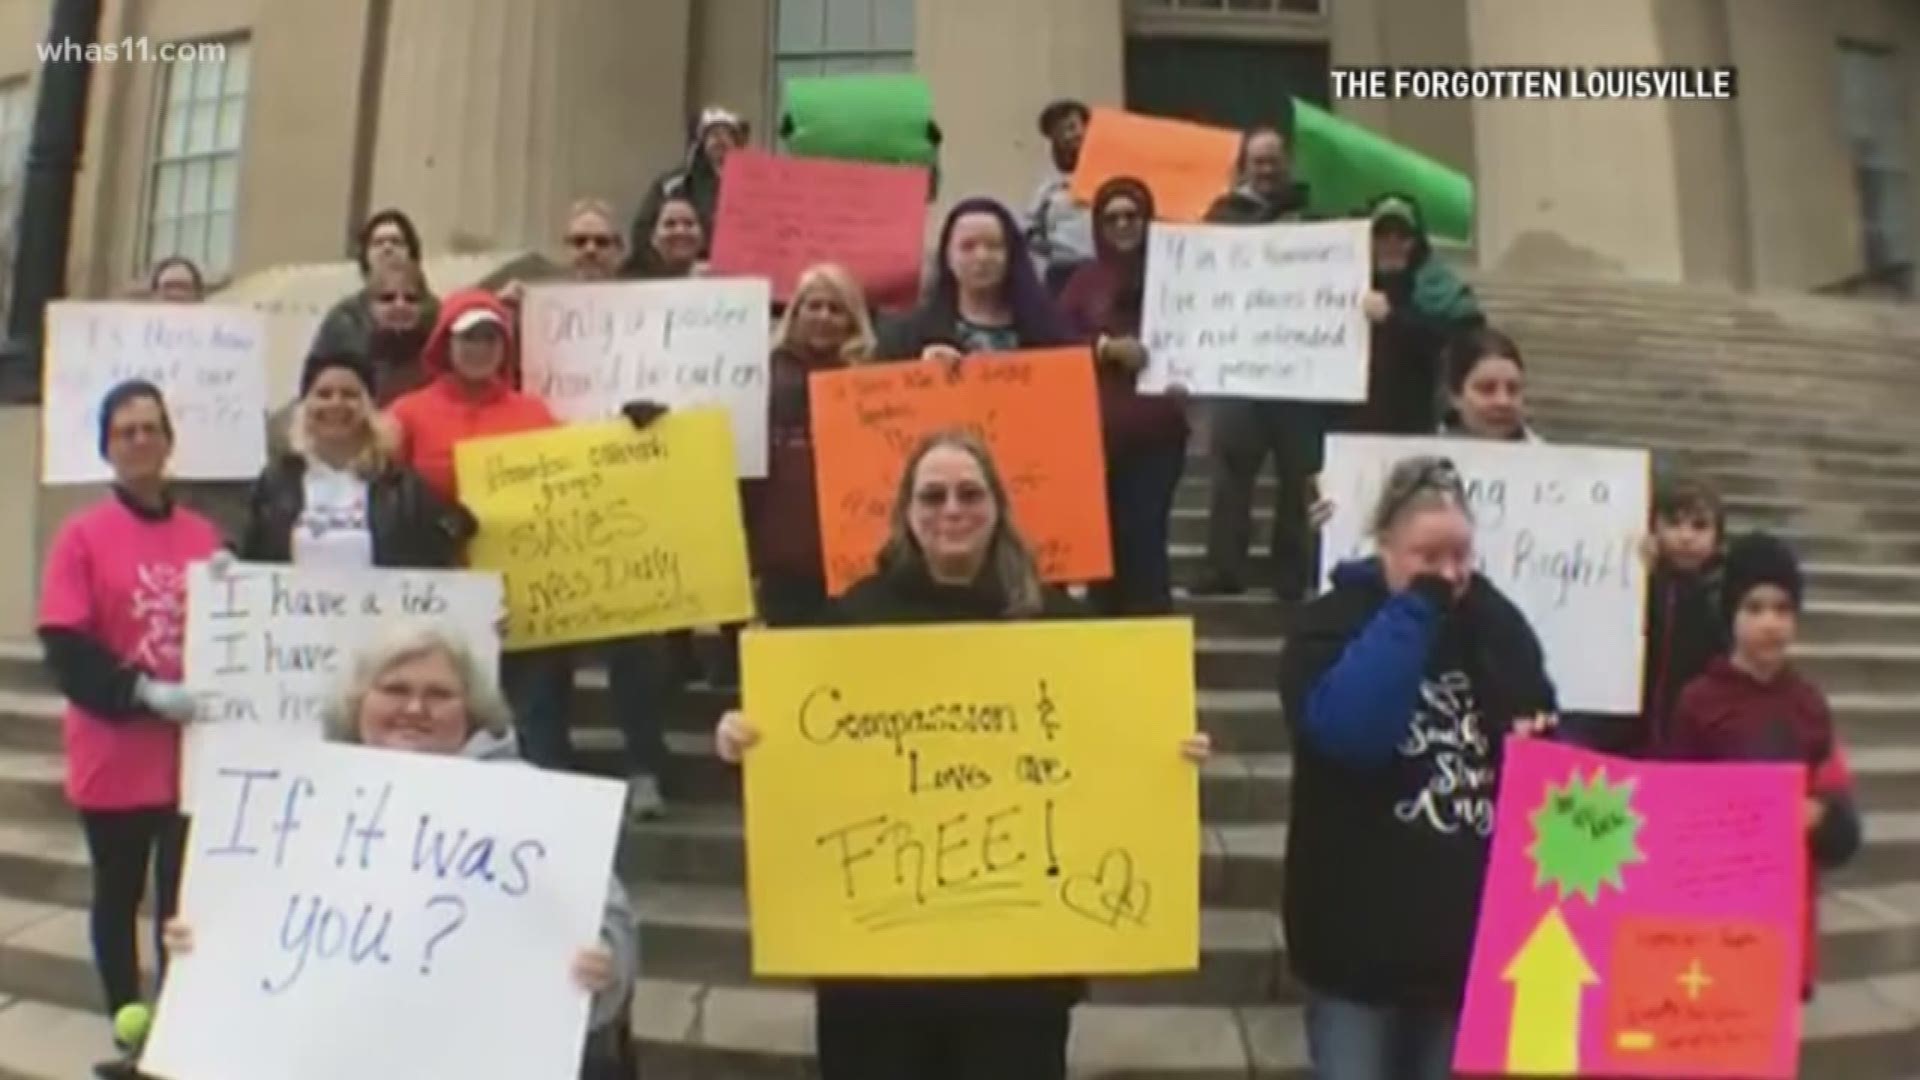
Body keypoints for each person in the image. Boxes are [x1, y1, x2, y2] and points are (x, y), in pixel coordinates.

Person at [714, 431, 1211, 1080]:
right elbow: (797, 767)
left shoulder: (1057, 626)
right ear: (908, 513)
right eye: (934, 495)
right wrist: (743, 739)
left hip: (1016, 970)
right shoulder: (844, 625)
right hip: (876, 970)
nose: (953, 509)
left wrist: (1167, 750)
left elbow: (1105, 757)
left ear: (999, 509)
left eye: (971, 493)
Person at [162, 623, 639, 1079]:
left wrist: (605, 967)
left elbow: (612, 923)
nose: (415, 707)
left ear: (472, 710)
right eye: (394, 689)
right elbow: (250, 925)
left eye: (439, 694)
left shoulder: (534, 804)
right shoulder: (298, 799)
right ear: (358, 702)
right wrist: (205, 944)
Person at [1278, 456, 1557, 1079]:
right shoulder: (1329, 627)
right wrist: (1414, 611)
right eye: (1426, 557)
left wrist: (1534, 740)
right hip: (1355, 947)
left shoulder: (1496, 628)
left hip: (1461, 948)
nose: (1448, 574)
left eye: (1460, 556)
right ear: (1385, 548)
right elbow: (1351, 734)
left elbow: (1538, 730)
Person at [386, 289, 672, 817]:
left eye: (491, 336)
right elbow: (377, 484)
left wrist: (635, 430)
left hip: (524, 603)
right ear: (444, 342)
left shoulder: (534, 412)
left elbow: (583, 472)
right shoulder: (408, 414)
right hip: (442, 598)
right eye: (468, 336)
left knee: (538, 719)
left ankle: (548, 824)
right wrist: (432, 522)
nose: (480, 347)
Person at [35, 381, 225, 1080]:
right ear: (107, 448)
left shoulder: (203, 536)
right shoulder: (82, 535)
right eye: (126, 432)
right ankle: (128, 1026)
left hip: (189, 759)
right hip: (115, 754)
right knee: (119, 897)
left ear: (170, 440)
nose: (141, 441)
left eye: (151, 428)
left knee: (182, 901)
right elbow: (66, 645)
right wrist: (140, 691)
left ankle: (179, 1025)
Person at [1661, 532, 1862, 999]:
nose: (1770, 623)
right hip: (1710, 917)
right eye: (1754, 608)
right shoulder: (1697, 702)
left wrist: (1821, 819)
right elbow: (1668, 807)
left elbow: (1844, 828)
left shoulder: (1809, 707)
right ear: (1730, 615)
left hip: (1784, 921)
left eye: (1783, 608)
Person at [1195, 126, 1325, 606]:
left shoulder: (1314, 219)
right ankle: (1222, 567)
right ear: (1243, 166)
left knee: (1298, 474)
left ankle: (1290, 573)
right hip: (1240, 366)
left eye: (1273, 160)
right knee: (1231, 471)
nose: (1267, 170)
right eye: (1258, 161)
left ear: (1286, 162)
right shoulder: (1222, 217)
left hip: (1302, 366)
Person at [1057, 177, 1189, 615]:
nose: (1123, 225)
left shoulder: (1181, 278)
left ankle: (1153, 640)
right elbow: (1056, 340)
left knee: (1144, 537)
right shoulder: (1083, 281)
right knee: (1101, 545)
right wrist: (1105, 349)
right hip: (1095, 436)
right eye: (1112, 217)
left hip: (1159, 435)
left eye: (1132, 216)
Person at [238, 351, 473, 569]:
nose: (336, 403)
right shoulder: (277, 480)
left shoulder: (402, 485)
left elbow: (452, 536)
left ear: (370, 409)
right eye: (323, 394)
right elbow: (247, 550)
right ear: (305, 407)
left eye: (350, 395)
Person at [746, 263, 878, 627]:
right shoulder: (759, 374)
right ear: (796, 312)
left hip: (852, 549)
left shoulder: (873, 381)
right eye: (814, 306)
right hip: (782, 544)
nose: (824, 317)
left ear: (852, 320)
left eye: (836, 309)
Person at [1353, 194, 1484, 435]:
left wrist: (1393, 319)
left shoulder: (1440, 290)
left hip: (1418, 422)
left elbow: (1463, 342)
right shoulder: (1349, 285)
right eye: (1382, 235)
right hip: (1355, 425)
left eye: (1402, 235)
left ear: (1417, 241)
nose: (1391, 243)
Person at [879, 197, 1067, 361]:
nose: (982, 257)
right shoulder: (906, 336)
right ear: (947, 256)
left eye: (994, 246)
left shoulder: (1049, 332)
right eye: (967, 247)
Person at [1635, 475, 1726, 755]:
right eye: (1674, 524)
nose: (1686, 537)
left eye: (1699, 526)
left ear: (1717, 537)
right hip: (1636, 722)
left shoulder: (1722, 593)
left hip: (1694, 726)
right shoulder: (1640, 584)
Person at [310, 209, 442, 360]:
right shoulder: (345, 318)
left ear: (412, 253)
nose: (387, 248)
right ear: (365, 256)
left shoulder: (436, 313)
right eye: (378, 243)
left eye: (396, 242)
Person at [629, 106, 746, 256]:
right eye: (713, 134)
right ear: (701, 142)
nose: (720, 139)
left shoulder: (758, 187)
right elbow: (643, 231)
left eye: (727, 134)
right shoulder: (673, 185)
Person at [1024, 99, 1094, 294]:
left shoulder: (1111, 175)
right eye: (1062, 130)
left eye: (1074, 127)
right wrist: (1055, 250)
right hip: (1064, 273)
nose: (1071, 136)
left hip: (1104, 270)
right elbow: (1030, 231)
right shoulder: (1048, 188)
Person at [1437, 327, 1539, 442]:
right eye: (1487, 389)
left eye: (1513, 389)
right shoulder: (1424, 455)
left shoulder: (1549, 458)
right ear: (1455, 395)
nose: (1503, 401)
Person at [622, 192, 706, 280]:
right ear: (652, 237)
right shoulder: (632, 282)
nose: (680, 231)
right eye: (670, 224)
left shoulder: (715, 279)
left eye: (689, 223)